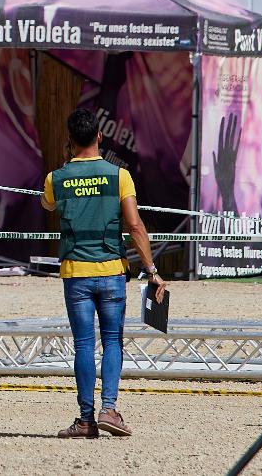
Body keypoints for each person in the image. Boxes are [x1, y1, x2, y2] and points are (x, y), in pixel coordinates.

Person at [42, 107, 167, 439]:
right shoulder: (120, 176)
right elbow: (135, 226)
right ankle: (109, 409)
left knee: (83, 345)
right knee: (112, 341)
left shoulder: (56, 178)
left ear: (69, 140)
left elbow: (48, 204)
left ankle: (85, 419)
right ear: (100, 136)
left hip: (75, 274)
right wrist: (152, 270)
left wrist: (67, 168)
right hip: (112, 271)